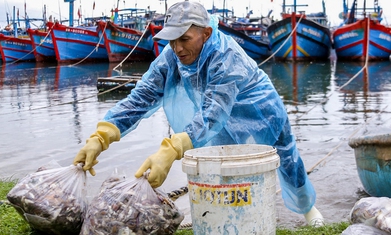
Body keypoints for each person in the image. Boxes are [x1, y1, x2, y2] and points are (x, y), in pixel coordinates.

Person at [73, 0, 324, 227]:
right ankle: (233, 219)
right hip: (220, 117)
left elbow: (213, 113)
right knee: (224, 169)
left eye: (185, 39)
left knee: (287, 159)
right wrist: (102, 135)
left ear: (206, 33)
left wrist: (171, 149)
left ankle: (308, 208)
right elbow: (141, 97)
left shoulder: (224, 55)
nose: (178, 47)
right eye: (172, 40)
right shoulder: (171, 58)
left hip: (261, 110)